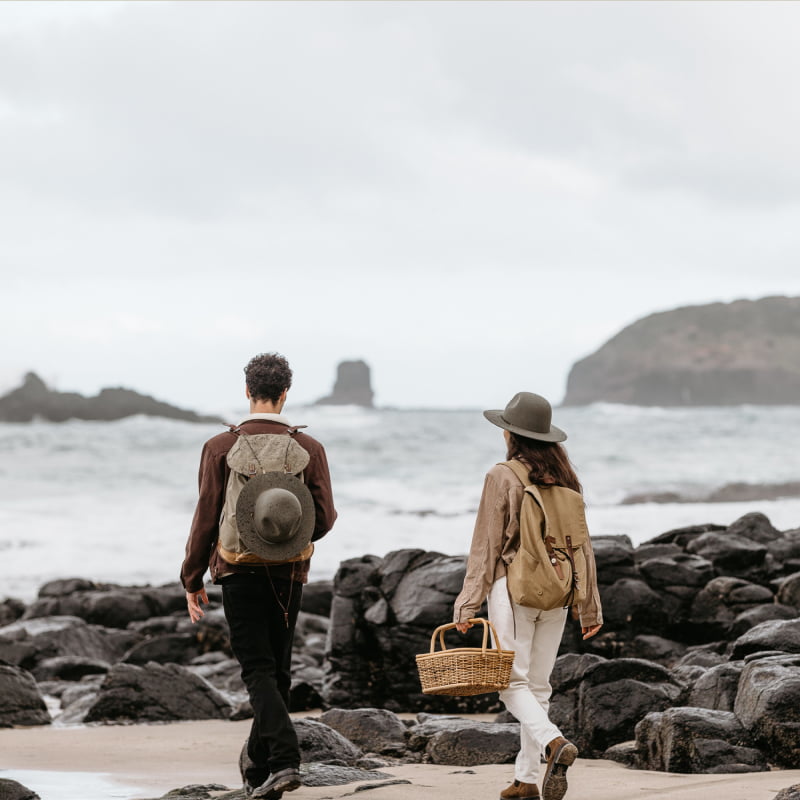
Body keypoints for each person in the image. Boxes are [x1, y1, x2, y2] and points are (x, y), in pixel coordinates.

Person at [181, 352, 336, 800]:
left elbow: (206, 517)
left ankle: (284, 761)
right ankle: (259, 767)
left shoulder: (218, 447)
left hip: (237, 569)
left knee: (257, 670)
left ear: (247, 391)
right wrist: (287, 541)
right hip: (290, 572)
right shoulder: (309, 449)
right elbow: (324, 517)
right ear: (286, 393)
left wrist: (192, 578)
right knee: (278, 671)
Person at [452, 391, 602, 800]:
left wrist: (467, 601)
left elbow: (485, 545)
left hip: (514, 591)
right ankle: (526, 779)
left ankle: (554, 743)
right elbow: (582, 548)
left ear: (510, 434)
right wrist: (589, 606)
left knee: (510, 685)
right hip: (558, 593)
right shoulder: (566, 480)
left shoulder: (503, 475)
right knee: (538, 687)